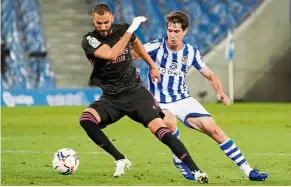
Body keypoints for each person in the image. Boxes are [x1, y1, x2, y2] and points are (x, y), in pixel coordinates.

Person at [132, 11, 268, 181]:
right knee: (169, 121)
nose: (172, 35)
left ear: (185, 31)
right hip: (159, 102)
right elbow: (132, 55)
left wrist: (220, 92)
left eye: (177, 31)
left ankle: (248, 171)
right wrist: (132, 42)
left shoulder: (191, 52)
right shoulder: (154, 47)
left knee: (215, 130)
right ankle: (179, 159)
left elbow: (210, 75)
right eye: (170, 31)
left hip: (183, 99)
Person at [80, 4, 208, 183]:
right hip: (111, 97)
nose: (103, 26)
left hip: (135, 93)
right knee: (86, 120)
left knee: (160, 129)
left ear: (112, 19)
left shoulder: (123, 30)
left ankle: (196, 171)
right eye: (99, 23)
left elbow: (137, 45)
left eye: (106, 22)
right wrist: (131, 29)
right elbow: (110, 54)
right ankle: (120, 159)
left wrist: (152, 65)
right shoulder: (89, 40)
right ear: (93, 20)